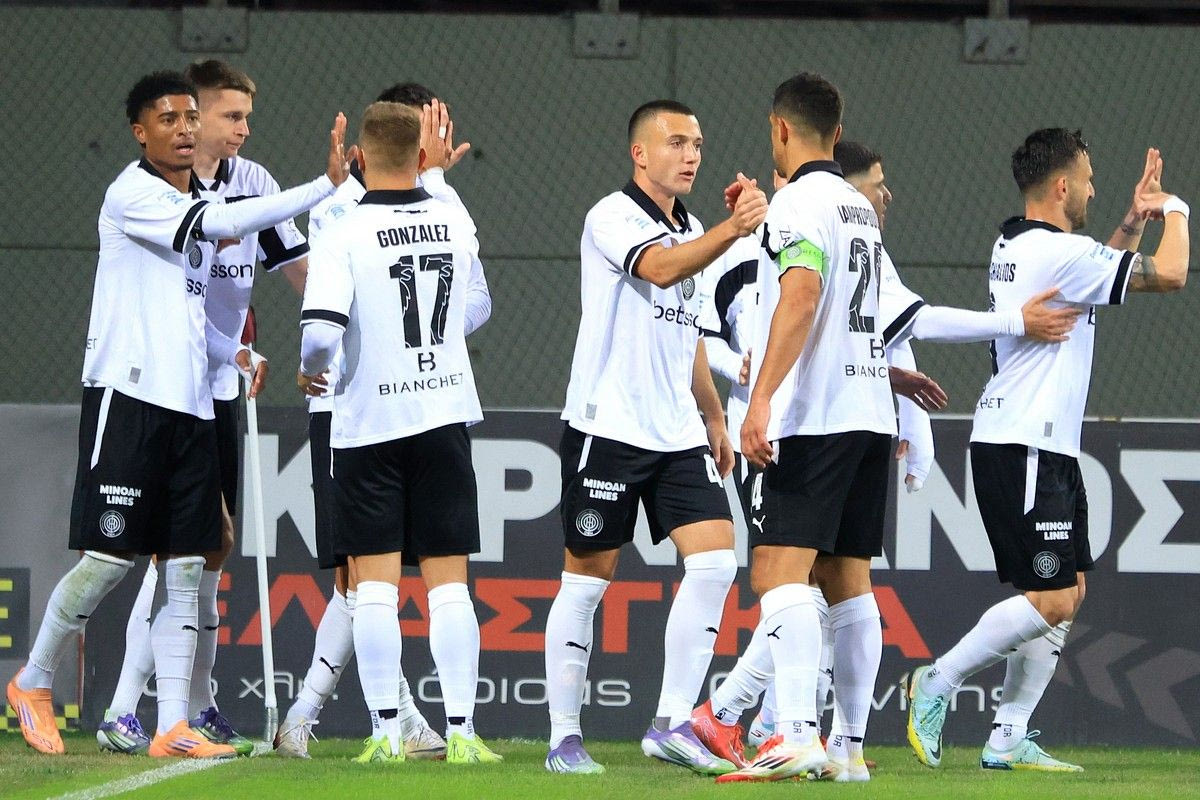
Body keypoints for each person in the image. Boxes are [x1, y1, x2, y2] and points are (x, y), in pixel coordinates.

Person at [694, 135, 1081, 781]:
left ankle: (783, 729)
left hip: (805, 421)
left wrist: (760, 400)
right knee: (842, 583)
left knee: (784, 574)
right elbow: (887, 323)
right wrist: (1000, 329)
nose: (886, 193)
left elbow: (813, 303)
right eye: (877, 181)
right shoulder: (853, 228)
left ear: (782, 132)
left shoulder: (810, 214)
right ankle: (836, 746)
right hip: (862, 420)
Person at [4, 70, 350, 758]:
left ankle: (172, 725)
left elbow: (190, 310)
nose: (185, 129)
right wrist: (327, 185)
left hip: (193, 404)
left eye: (190, 117)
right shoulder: (133, 195)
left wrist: (235, 351)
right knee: (108, 560)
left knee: (189, 563)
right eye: (169, 119)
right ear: (140, 132)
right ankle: (33, 680)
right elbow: (224, 224)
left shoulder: (199, 196)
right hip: (129, 398)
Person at [906, 130, 1188, 772]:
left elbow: (1093, 272)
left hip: (1043, 443)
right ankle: (937, 680)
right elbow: (1172, 274)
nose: (1093, 189)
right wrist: (1174, 207)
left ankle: (1007, 736)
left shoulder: (1021, 243)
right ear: (1062, 186)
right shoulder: (1058, 253)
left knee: (1068, 590)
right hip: (1022, 442)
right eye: (1087, 179)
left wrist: (1130, 222)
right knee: (1053, 599)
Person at [542, 99, 767, 776]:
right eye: (675, 142)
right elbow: (661, 271)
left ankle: (670, 724)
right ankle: (563, 738)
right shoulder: (611, 216)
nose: (691, 154)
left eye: (697, 143)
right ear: (640, 153)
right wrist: (733, 228)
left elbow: (689, 328)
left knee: (716, 562)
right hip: (607, 426)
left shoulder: (693, 227)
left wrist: (713, 415)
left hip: (676, 431)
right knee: (587, 581)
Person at [97, 58, 306, 758]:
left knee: (211, 548)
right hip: (166, 386)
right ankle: (124, 707)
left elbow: (299, 269)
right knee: (174, 550)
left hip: (221, 381)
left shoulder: (256, 182)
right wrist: (329, 185)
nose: (241, 129)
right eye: (229, 116)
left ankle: (196, 702)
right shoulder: (164, 192)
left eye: (246, 117)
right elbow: (218, 228)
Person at [275, 82, 489, 762]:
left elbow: (320, 329)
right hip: (442, 412)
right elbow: (477, 307)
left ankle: (383, 730)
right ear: (424, 151)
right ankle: (460, 731)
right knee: (444, 583)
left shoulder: (340, 221)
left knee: (368, 584)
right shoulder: (452, 215)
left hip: (364, 416)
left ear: (359, 155)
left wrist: (312, 367)